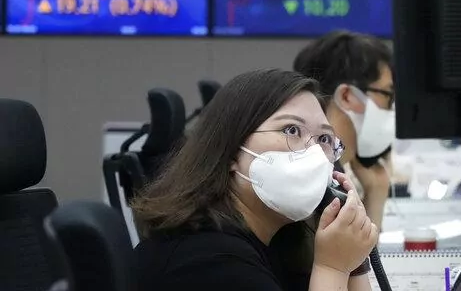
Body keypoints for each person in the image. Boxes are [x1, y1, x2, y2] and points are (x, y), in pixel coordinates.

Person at [131, 69, 378, 291]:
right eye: (291, 130)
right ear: (230, 152)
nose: (314, 153)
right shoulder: (209, 261)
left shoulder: (282, 239)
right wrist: (334, 268)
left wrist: (351, 258)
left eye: (324, 139)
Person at [293, 30, 394, 229]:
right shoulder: (317, 180)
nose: (391, 107)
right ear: (348, 96)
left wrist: (376, 192)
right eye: (387, 95)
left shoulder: (325, 168)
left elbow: (356, 257)